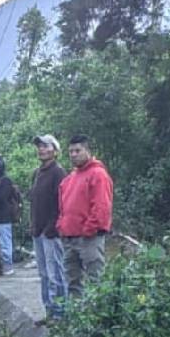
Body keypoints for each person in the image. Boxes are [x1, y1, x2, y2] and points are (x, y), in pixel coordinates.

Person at [57, 135, 113, 297]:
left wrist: (88, 230)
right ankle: (76, 312)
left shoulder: (98, 174)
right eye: (71, 151)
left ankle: (99, 311)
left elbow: (102, 207)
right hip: (69, 238)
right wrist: (61, 226)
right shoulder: (69, 179)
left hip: (89, 238)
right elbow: (62, 207)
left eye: (78, 150)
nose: (73, 154)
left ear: (87, 151)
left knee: (96, 280)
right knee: (72, 282)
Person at [28, 134, 68, 320]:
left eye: (45, 146)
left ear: (55, 150)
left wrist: (52, 227)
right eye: (39, 146)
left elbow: (62, 203)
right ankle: (49, 311)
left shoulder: (58, 172)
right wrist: (33, 226)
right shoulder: (37, 173)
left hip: (51, 232)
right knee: (43, 274)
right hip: (38, 230)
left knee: (55, 274)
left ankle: (60, 313)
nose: (41, 149)